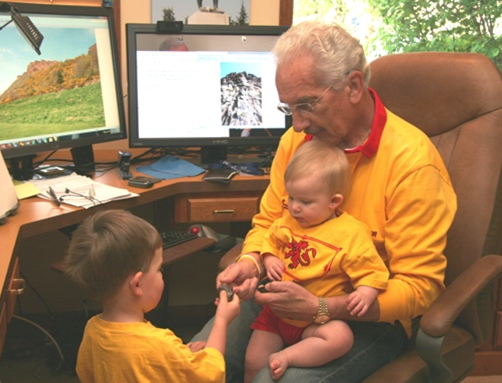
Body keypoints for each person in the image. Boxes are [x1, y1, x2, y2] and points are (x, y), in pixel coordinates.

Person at [192, 20, 457, 382]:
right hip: (285, 298)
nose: (298, 124)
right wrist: (252, 262)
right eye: (289, 109)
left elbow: (418, 286)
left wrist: (324, 307)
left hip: (365, 316)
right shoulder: (297, 144)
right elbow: (269, 222)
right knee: (196, 363)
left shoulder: (412, 164)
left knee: (272, 380)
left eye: (307, 105)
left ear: (353, 86)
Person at [244, 140, 389, 382]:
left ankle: (289, 356)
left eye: (306, 202)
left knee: (340, 338)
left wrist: (365, 292)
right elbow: (270, 240)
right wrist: (268, 259)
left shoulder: (350, 233)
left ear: (334, 201)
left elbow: (371, 270)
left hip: (318, 319)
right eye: (291, 198)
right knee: (252, 362)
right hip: (277, 313)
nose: (294, 208)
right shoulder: (287, 222)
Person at [64, 209, 240, 383]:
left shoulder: (92, 330)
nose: (161, 274)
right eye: (159, 269)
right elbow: (210, 375)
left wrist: (179, 357)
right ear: (137, 284)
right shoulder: (159, 344)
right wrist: (222, 320)